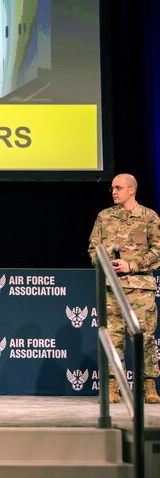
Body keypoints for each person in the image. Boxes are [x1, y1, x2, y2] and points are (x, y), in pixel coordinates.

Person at [88, 173, 160, 404]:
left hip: (140, 288)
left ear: (132, 190)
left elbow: (158, 251)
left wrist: (132, 265)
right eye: (112, 188)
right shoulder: (104, 216)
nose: (114, 192)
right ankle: (111, 387)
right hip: (111, 287)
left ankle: (149, 385)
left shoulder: (149, 217)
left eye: (118, 188)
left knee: (144, 338)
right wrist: (104, 263)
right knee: (112, 337)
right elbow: (93, 249)